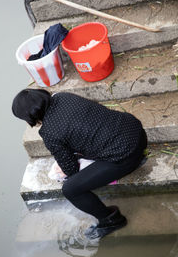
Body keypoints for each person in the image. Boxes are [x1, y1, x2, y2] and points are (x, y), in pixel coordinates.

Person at [12, 88, 147, 239]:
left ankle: (111, 220)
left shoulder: (49, 132)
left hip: (126, 156)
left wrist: (63, 170)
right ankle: (137, 158)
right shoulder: (64, 97)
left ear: (30, 116)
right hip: (136, 133)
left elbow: (71, 169)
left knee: (71, 189)